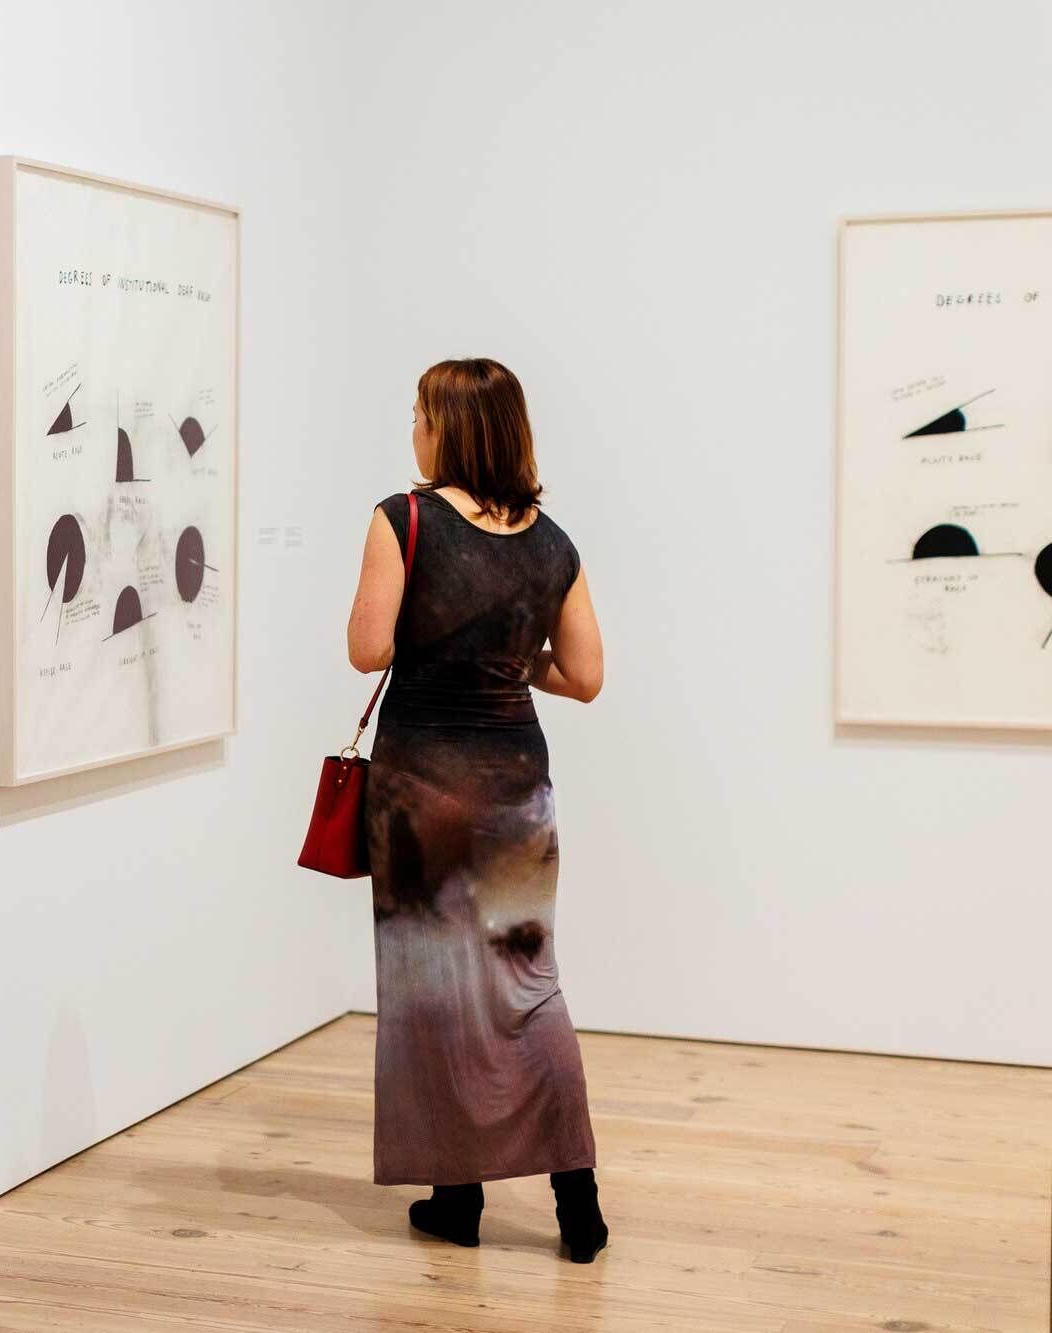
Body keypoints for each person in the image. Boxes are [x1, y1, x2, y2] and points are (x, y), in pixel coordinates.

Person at [343, 357, 610, 1262]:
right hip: (513, 787)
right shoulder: (554, 542)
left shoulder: (403, 519)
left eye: (420, 413)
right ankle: (579, 1204)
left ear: (447, 429)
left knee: (430, 992)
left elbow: (366, 646)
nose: (411, 427)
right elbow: (585, 676)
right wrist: (510, 657)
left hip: (421, 787)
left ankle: (459, 1199)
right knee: (527, 982)